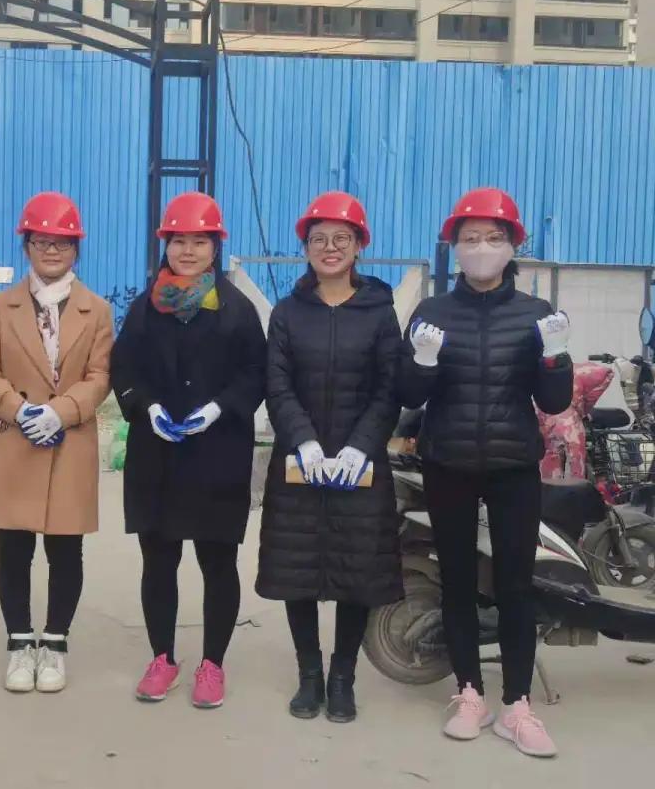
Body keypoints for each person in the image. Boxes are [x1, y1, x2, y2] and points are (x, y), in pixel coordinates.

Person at [399, 187, 572, 757]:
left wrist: (555, 356)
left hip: (512, 465)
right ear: (455, 247)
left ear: (512, 245)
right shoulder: (432, 313)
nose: (481, 247)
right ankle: (469, 693)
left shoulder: (535, 314)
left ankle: (517, 704)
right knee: (456, 580)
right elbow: (408, 394)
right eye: (470, 238)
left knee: (516, 584)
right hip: (447, 462)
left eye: (493, 237)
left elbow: (553, 401)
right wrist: (422, 361)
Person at [110, 191, 266, 710]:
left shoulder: (238, 310)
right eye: (179, 241)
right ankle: (163, 658)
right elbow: (123, 368)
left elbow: (256, 373)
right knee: (158, 561)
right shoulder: (144, 307)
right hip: (156, 456)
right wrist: (147, 407)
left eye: (200, 241)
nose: (188, 251)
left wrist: (220, 408)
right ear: (166, 245)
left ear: (215, 247)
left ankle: (212, 664)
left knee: (218, 562)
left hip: (218, 456)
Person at [256, 191, 402, 724]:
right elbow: (277, 385)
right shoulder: (288, 313)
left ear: (359, 246)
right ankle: (309, 675)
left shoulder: (380, 312)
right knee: (297, 570)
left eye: (342, 238)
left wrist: (360, 447)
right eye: (319, 239)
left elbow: (389, 388)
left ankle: (343, 678)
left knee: (355, 573)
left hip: (361, 467)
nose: (330, 247)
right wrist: (305, 441)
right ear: (306, 249)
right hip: (301, 464)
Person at [0, 192, 113, 693]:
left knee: (65, 550)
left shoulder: (97, 311)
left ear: (76, 249)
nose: (51, 250)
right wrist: (19, 408)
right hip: (14, 439)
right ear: (27, 245)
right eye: (42, 241)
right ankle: (18, 643)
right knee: (13, 549)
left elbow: (100, 375)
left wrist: (60, 412)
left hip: (69, 442)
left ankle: (54, 644)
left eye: (62, 243)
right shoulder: (1, 308)